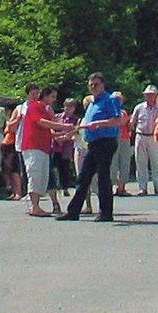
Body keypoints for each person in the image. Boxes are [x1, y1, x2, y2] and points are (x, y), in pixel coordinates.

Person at [59, 72, 124, 222]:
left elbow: (117, 120)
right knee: (83, 177)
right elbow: (86, 125)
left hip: (106, 141)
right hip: (93, 143)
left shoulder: (110, 100)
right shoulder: (92, 103)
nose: (93, 87)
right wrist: (70, 134)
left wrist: (100, 124)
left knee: (102, 177)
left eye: (96, 84)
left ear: (103, 85)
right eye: (91, 84)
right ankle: (73, 211)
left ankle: (106, 212)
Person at [20, 85, 69, 216]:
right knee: (35, 174)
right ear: (46, 95)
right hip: (33, 146)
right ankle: (34, 206)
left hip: (44, 147)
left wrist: (60, 136)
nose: (53, 99)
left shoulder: (45, 110)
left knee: (43, 177)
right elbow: (41, 122)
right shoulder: (34, 107)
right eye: (52, 96)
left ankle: (36, 205)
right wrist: (63, 126)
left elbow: (47, 130)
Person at [132, 85, 158, 196]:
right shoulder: (139, 107)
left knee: (156, 162)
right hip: (141, 135)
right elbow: (132, 122)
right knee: (141, 162)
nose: (149, 96)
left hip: (155, 137)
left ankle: (157, 187)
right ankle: (142, 188)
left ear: (156, 95)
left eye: (152, 94)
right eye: (147, 94)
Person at [111, 90, 133, 196]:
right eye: (115, 99)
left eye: (119, 99)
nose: (118, 101)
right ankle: (111, 186)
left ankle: (122, 187)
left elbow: (128, 126)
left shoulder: (123, 112)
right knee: (113, 163)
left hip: (125, 139)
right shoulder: (109, 111)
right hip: (113, 139)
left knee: (125, 162)